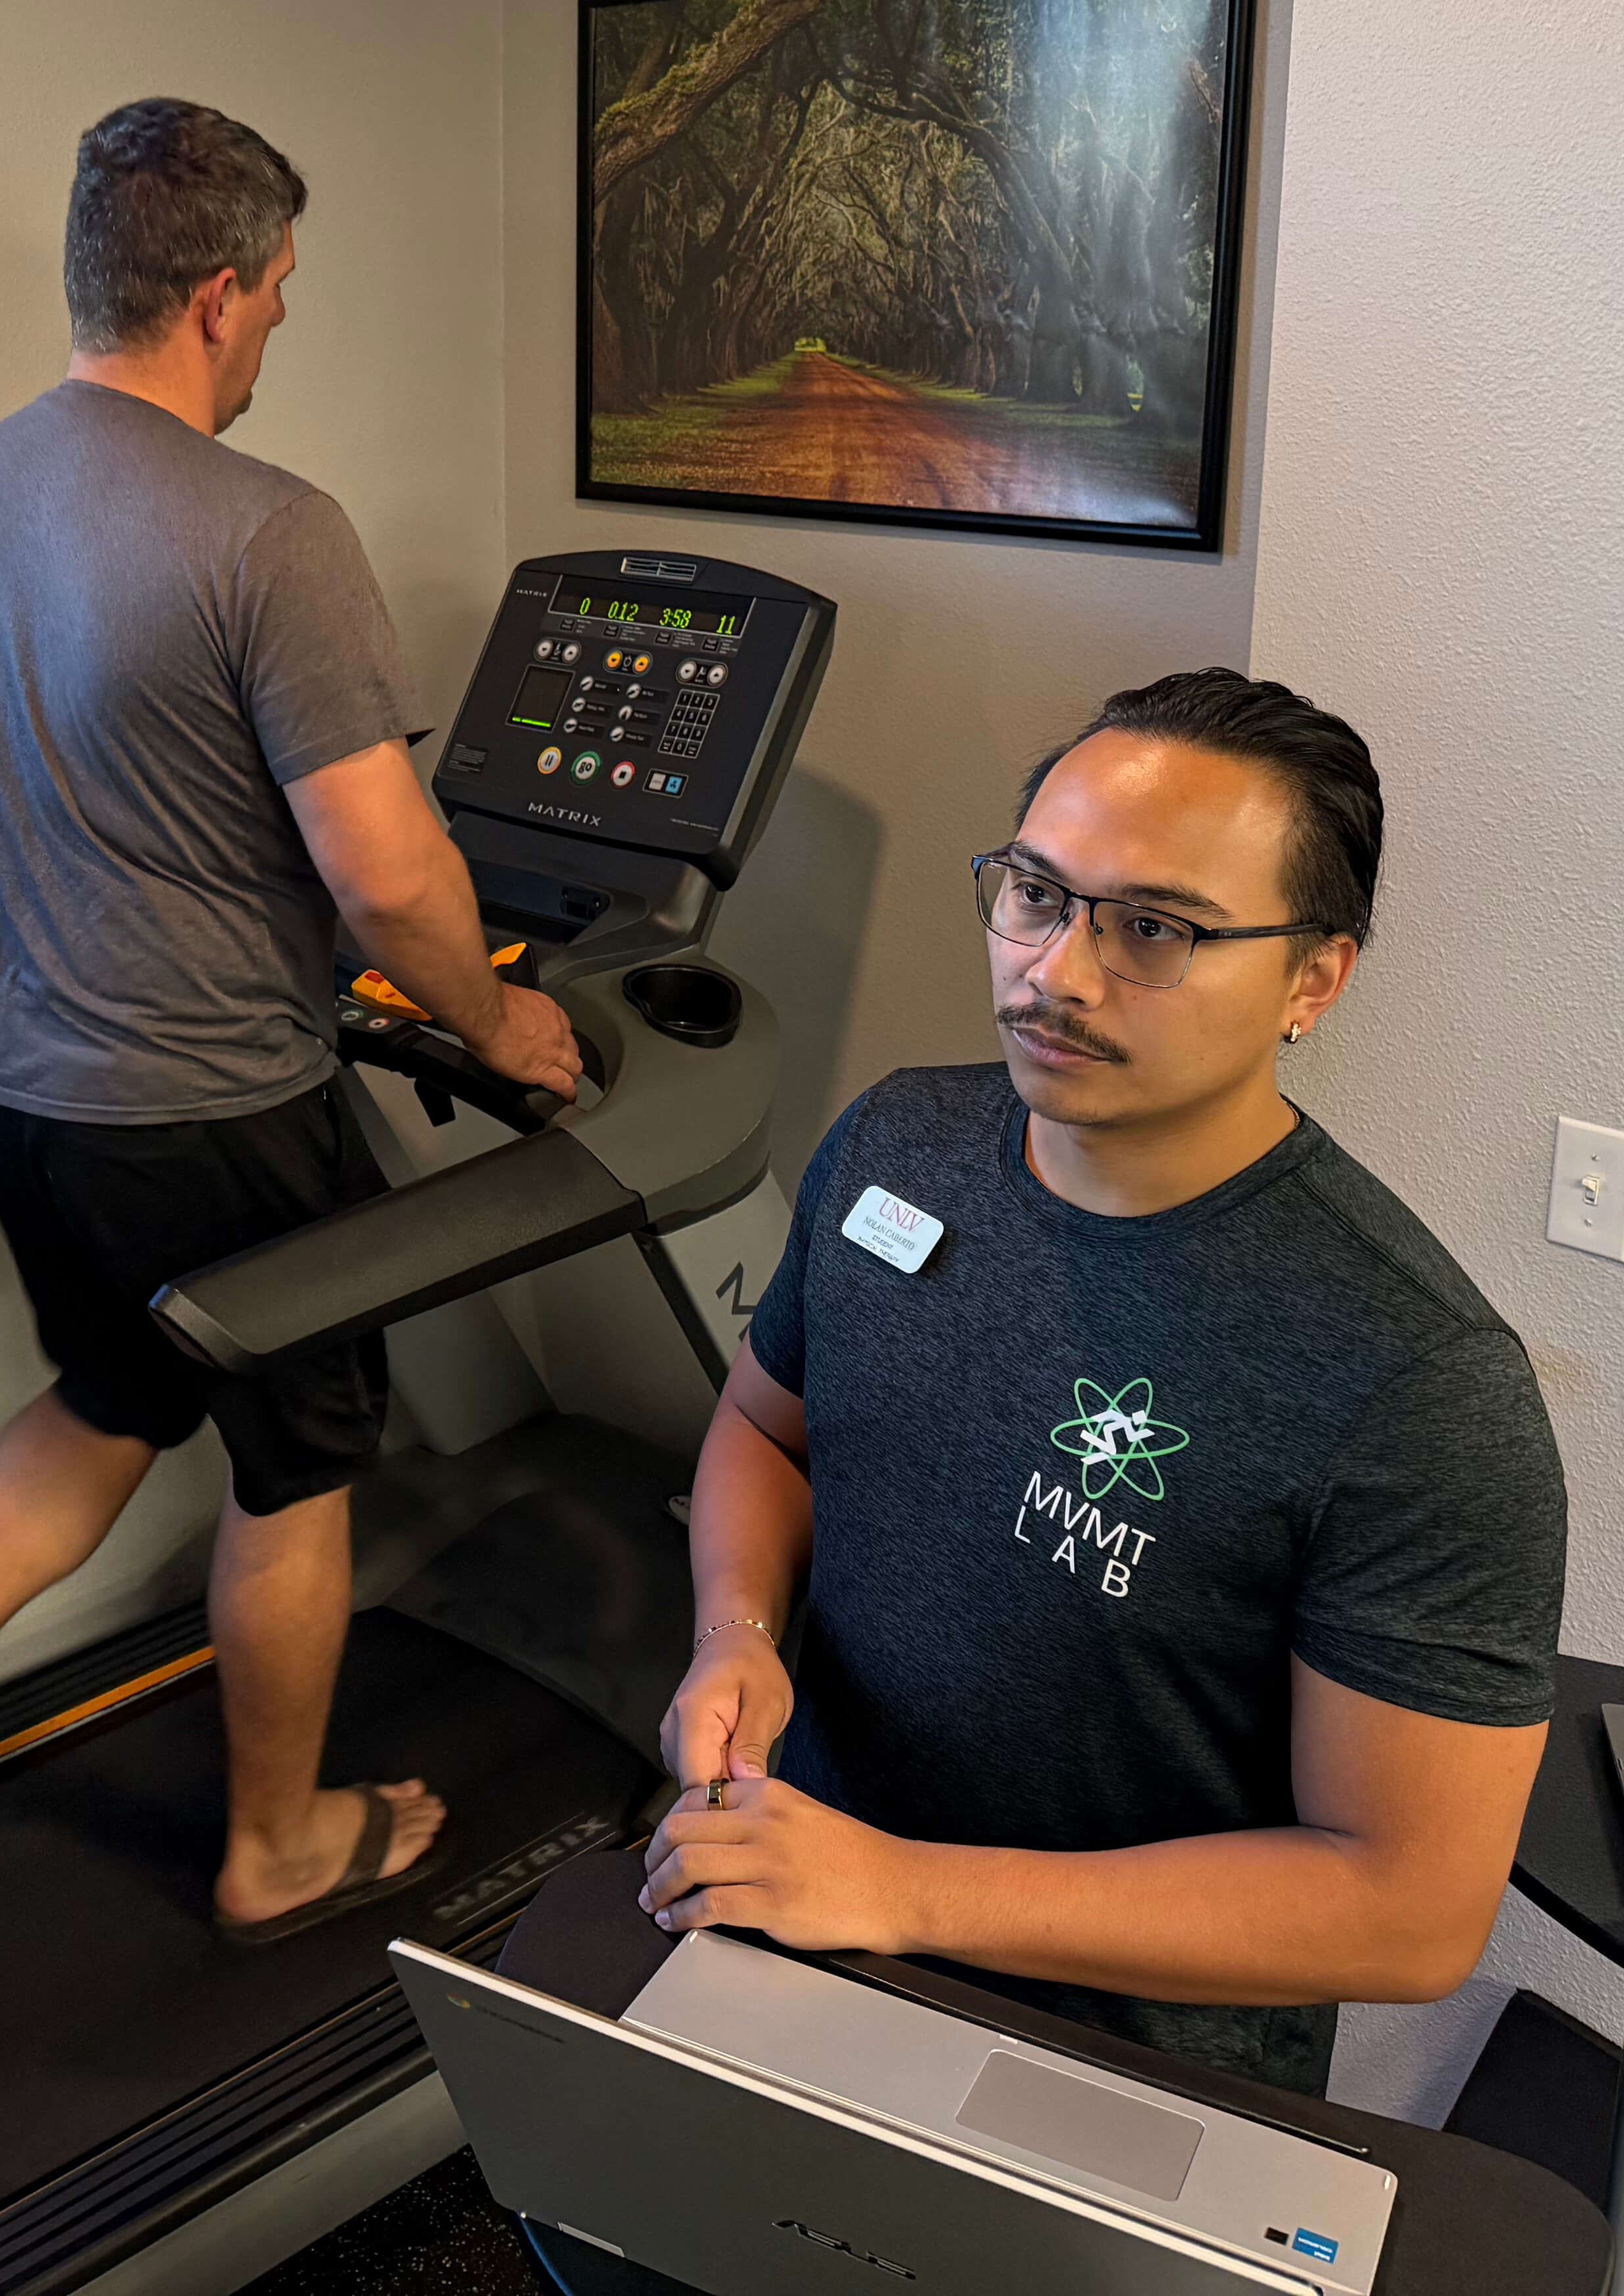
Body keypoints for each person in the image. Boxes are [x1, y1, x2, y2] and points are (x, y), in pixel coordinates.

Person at [0, 98, 583, 1980]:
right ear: (222, 294)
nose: (282, 331)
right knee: (295, 1460)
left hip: (28, 1092)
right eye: (286, 293)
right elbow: (391, 883)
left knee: (111, 1395)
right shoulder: (271, 531)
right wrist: (507, 1020)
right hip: (217, 1105)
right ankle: (275, 1847)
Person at [646, 671, 1566, 2096]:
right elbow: (768, 1430)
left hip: (1123, 2060)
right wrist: (736, 1633)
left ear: (1313, 980)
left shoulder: (1417, 1383)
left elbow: (1408, 1908)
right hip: (796, 1909)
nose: (1057, 974)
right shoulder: (900, 1144)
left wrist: (906, 1892)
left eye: (1154, 928)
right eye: (1034, 894)